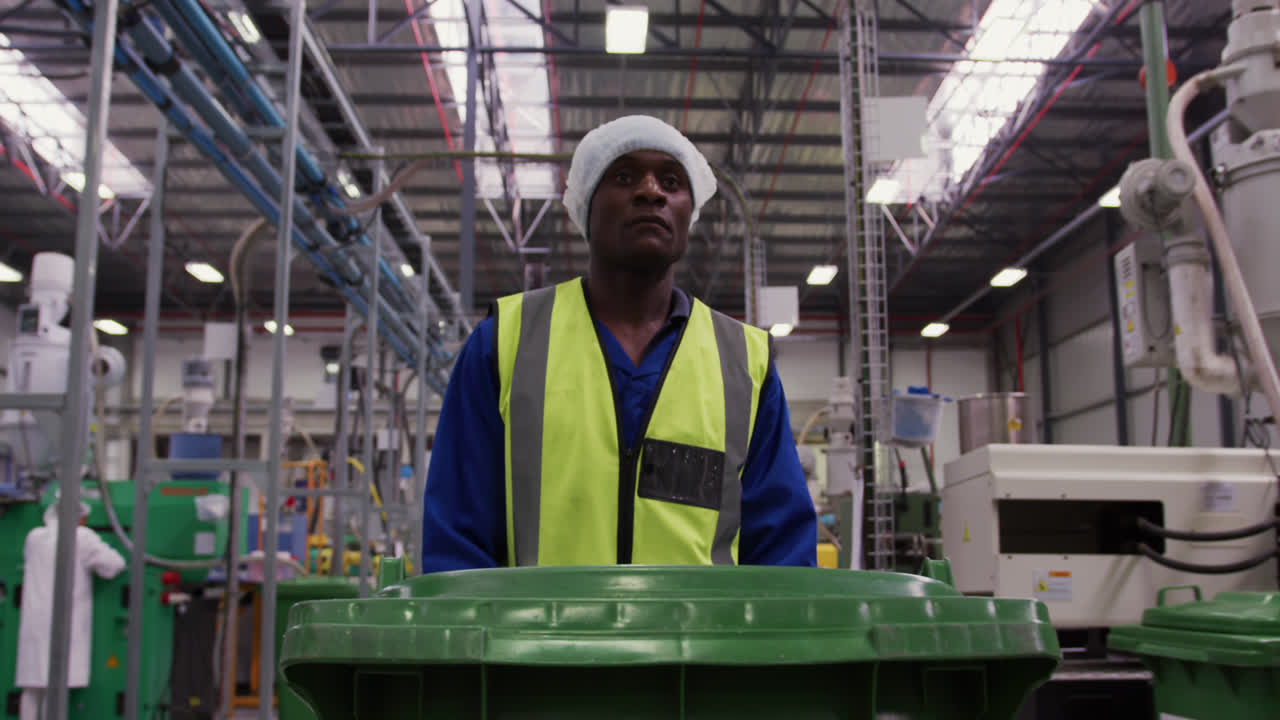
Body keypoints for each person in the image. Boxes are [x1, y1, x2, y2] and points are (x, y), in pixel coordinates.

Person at [422, 114, 816, 571]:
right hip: (543, 621)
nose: (651, 191)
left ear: (690, 212)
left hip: (700, 623)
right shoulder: (504, 344)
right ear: (587, 205)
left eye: (672, 181)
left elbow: (782, 554)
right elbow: (457, 540)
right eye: (624, 176)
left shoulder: (745, 364)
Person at [15, 499, 125, 720]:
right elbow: (114, 565)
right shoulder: (82, 537)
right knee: (56, 686)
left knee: (32, 686)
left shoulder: (33, 537)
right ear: (79, 517)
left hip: (34, 622)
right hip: (63, 623)